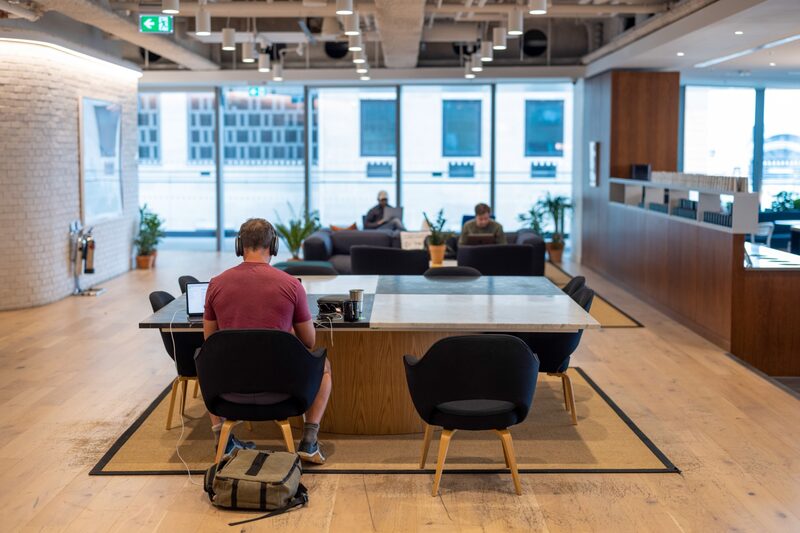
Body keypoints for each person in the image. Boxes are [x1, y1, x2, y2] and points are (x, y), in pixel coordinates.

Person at [203, 218, 331, 464]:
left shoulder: (216, 284)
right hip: (282, 392)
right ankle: (309, 441)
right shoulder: (291, 285)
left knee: (206, 361)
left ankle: (223, 439)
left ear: (239, 246)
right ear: (273, 246)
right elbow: (309, 341)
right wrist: (283, 333)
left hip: (229, 392)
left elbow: (210, 341)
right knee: (324, 367)